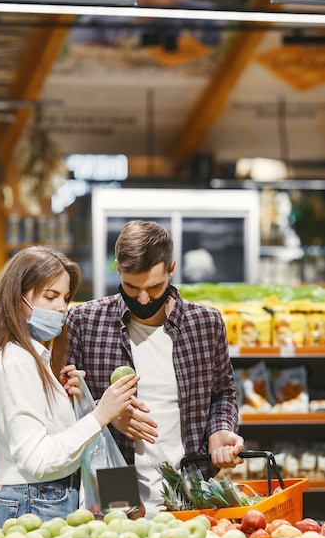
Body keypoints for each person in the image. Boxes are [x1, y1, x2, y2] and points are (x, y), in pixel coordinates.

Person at [67, 220, 244, 518]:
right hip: (113, 478)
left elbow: (223, 395)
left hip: (189, 482)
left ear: (171, 268)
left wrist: (220, 430)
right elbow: (63, 403)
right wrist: (105, 415)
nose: (144, 299)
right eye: (131, 287)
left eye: (155, 286)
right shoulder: (85, 322)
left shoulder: (205, 324)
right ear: (118, 269)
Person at [0, 245, 138, 527]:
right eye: (51, 296)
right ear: (16, 299)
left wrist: (72, 404)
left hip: (42, 501)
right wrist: (100, 415)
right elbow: (37, 459)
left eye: (65, 297)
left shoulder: (31, 360)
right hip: (36, 505)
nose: (61, 307)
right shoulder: (17, 362)